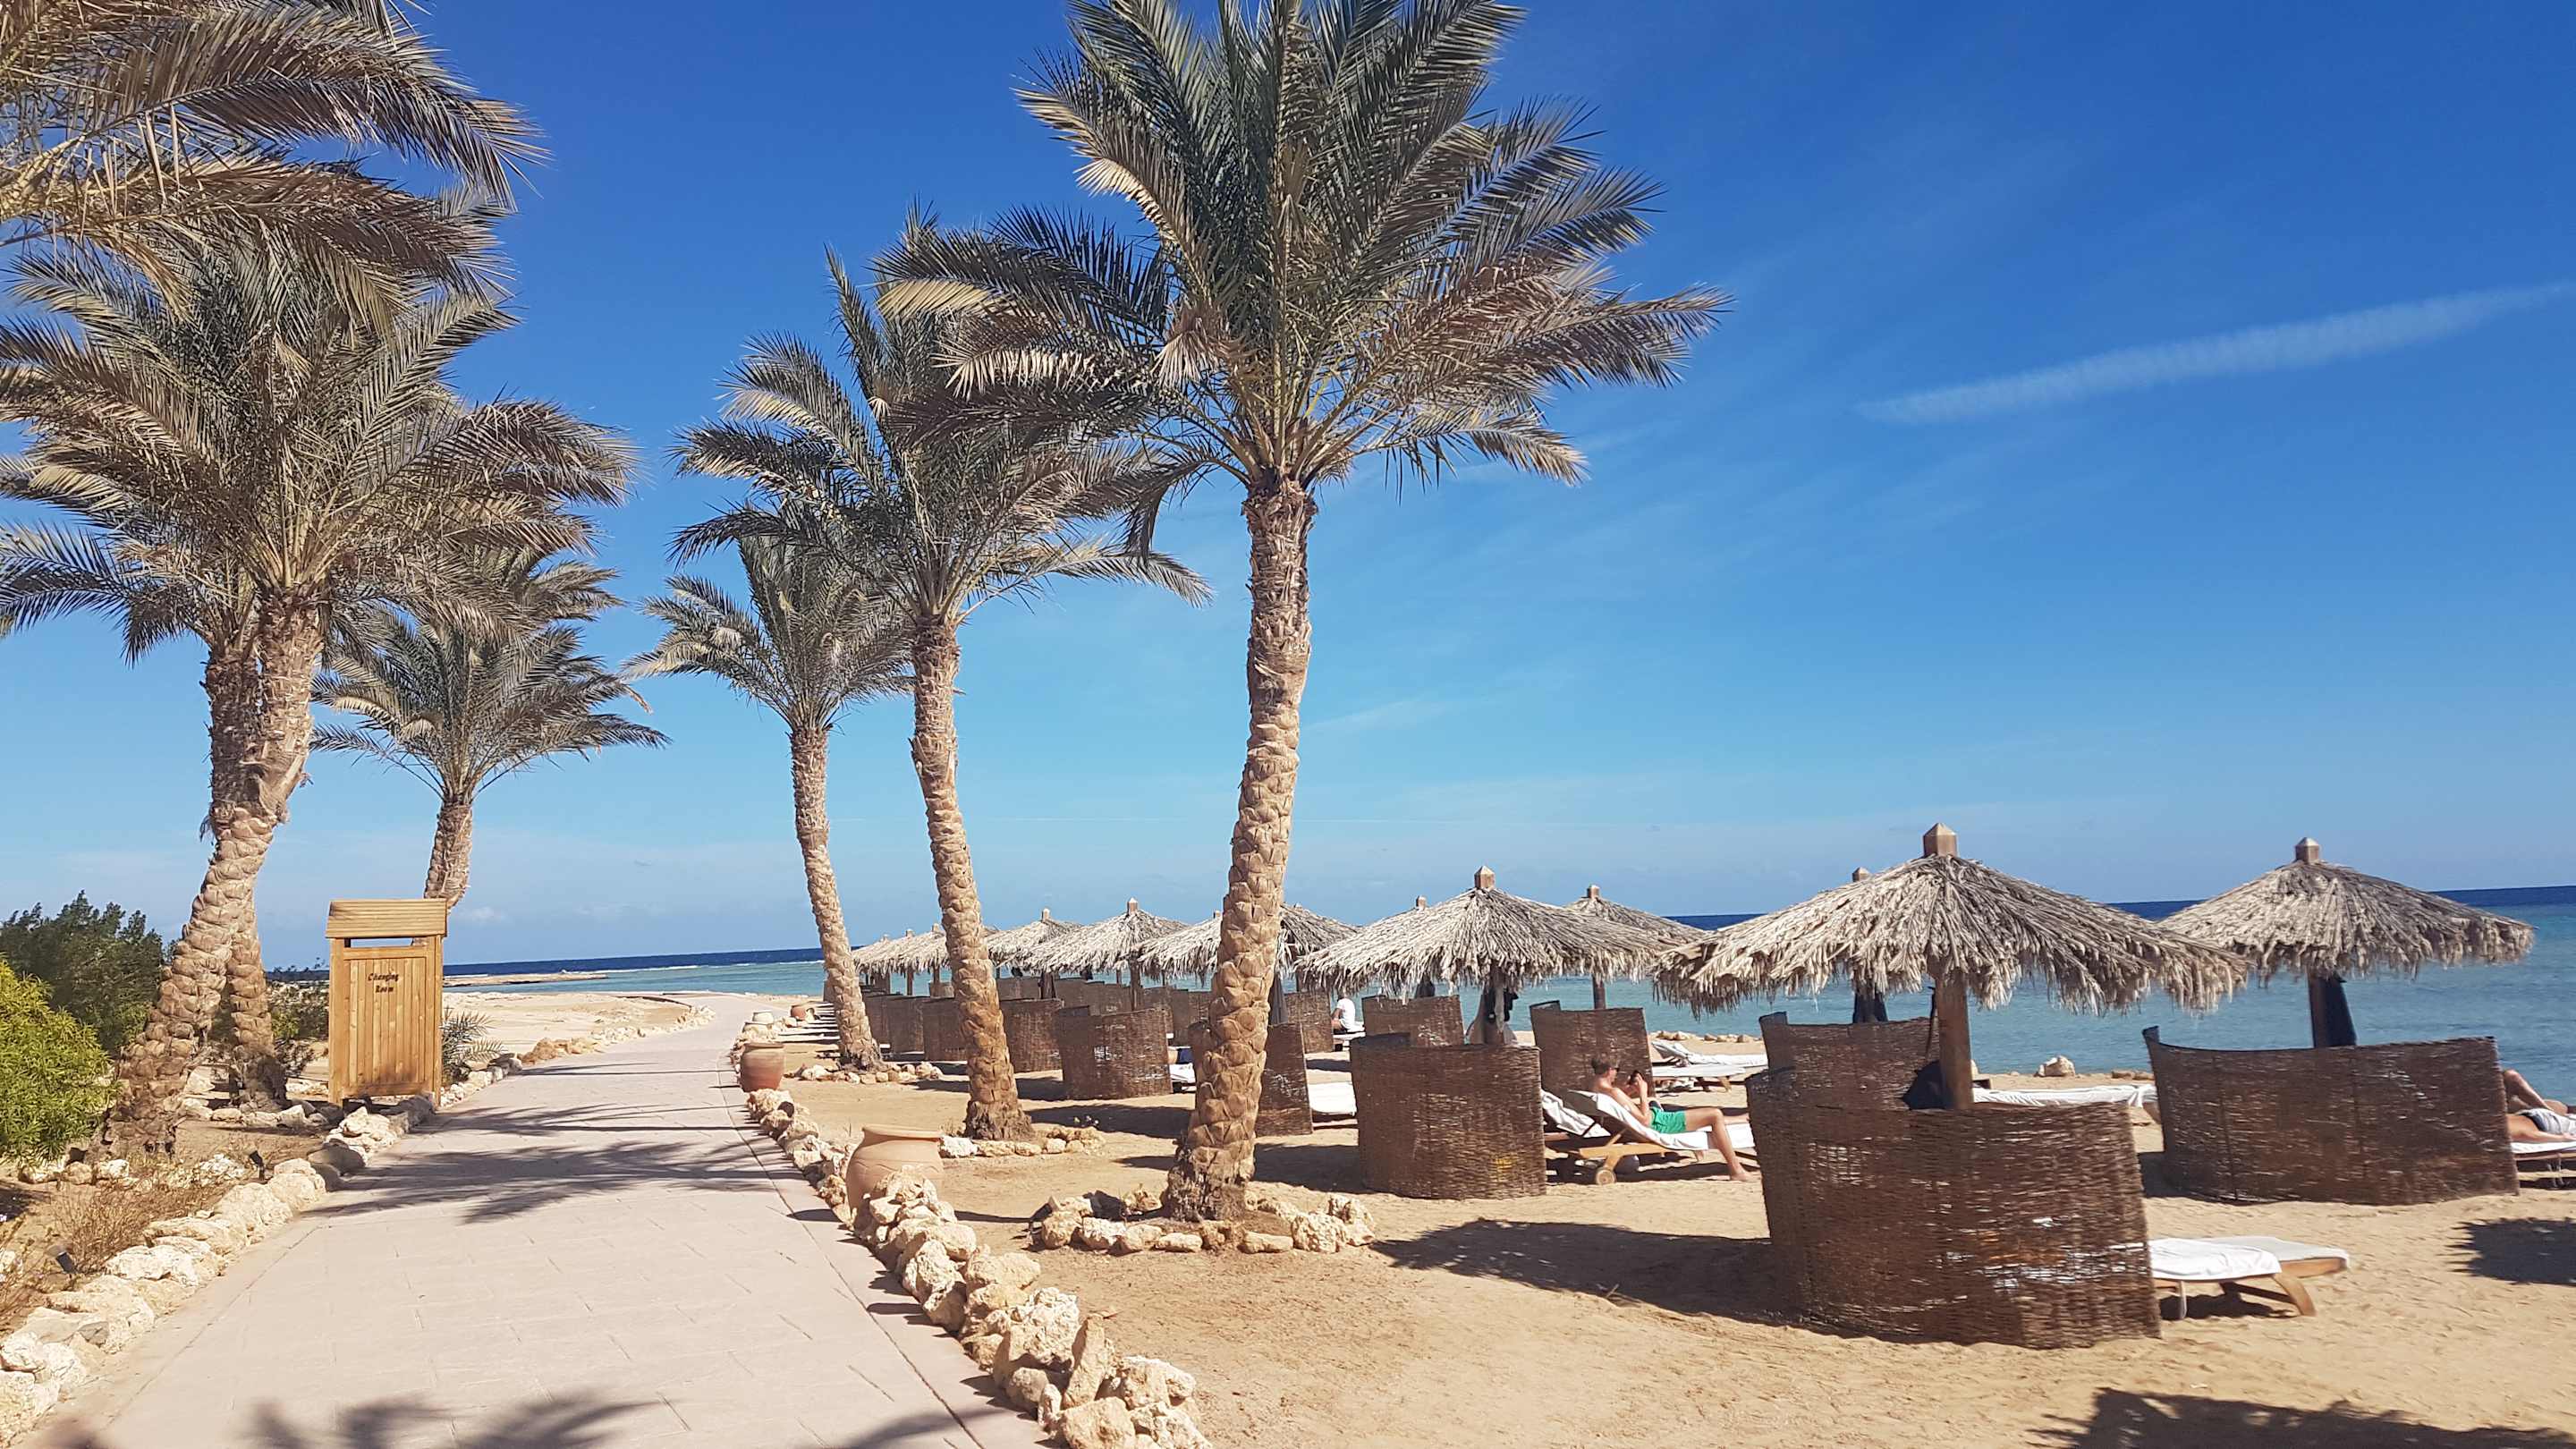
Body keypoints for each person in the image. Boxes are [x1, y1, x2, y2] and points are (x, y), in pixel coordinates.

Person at [1586, 1058, 1753, 1182]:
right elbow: (1645, 1122)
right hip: (1660, 1124)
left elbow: (1623, 1106)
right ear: (1609, 1071)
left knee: (1710, 1117)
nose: (1616, 1074)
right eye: (1616, 1070)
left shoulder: (1594, 1088)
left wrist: (1630, 1092)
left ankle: (1740, 1119)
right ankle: (1736, 1170)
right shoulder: (1614, 1092)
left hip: (1649, 1122)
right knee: (1714, 1114)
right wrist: (1643, 1093)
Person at [2504, 1068, 2576, 1142]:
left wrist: (2562, 1138)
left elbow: (2525, 1135)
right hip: (2537, 1118)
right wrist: (2562, 1138)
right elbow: (2525, 1134)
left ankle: (2549, 1110)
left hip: (2539, 1118)